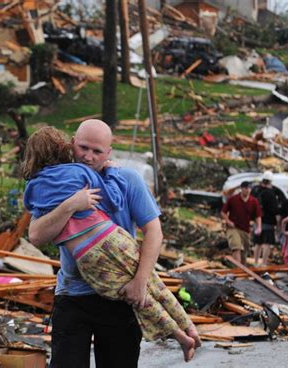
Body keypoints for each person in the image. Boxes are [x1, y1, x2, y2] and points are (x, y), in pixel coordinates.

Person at [26, 122, 199, 367]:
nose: (88, 156)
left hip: (121, 295)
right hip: (72, 295)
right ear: (72, 143)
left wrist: (139, 282)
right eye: (83, 147)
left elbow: (154, 231)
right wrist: (72, 204)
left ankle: (186, 332)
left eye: (97, 151)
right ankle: (183, 334)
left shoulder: (128, 179)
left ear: (109, 152)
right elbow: (35, 235)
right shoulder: (60, 181)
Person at [221, 181, 262, 265]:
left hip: (245, 229)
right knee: (236, 247)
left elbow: (258, 216)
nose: (247, 190)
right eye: (246, 188)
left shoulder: (254, 201)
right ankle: (238, 269)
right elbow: (223, 212)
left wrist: (259, 227)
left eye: (249, 188)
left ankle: (242, 270)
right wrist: (228, 221)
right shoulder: (233, 199)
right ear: (241, 189)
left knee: (244, 252)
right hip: (233, 227)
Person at [253, 171, 280, 266]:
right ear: (270, 182)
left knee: (258, 243)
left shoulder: (256, 190)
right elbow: (274, 210)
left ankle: (255, 262)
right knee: (267, 243)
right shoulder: (271, 194)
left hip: (257, 221)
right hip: (268, 222)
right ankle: (263, 263)